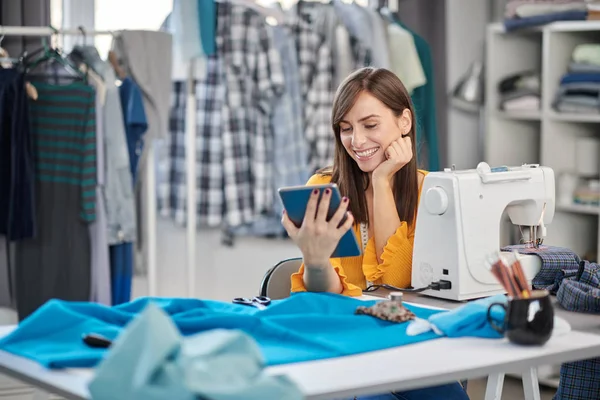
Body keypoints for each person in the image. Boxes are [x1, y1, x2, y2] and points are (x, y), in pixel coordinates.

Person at [281, 67, 469, 400]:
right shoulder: (324, 189)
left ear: (404, 123)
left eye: (370, 125)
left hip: (409, 343)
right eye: (346, 128)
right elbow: (325, 298)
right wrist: (314, 258)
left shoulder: (432, 192)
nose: (357, 141)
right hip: (346, 345)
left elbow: (398, 281)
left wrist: (382, 183)